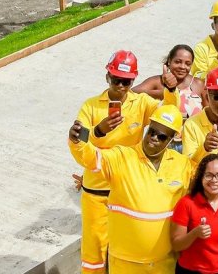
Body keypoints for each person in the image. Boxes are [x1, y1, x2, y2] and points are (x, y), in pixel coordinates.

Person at [74, 50, 180, 274]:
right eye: (116, 80)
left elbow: (168, 114)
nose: (121, 87)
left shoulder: (141, 103)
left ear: (133, 81)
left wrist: (171, 90)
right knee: (94, 256)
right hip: (98, 192)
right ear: (107, 77)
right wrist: (99, 130)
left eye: (126, 82)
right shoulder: (91, 106)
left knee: (128, 252)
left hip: (129, 189)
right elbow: (79, 144)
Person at [69, 105, 192, 274]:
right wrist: (77, 141)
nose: (153, 138)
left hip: (164, 264)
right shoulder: (123, 157)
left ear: (172, 140)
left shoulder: (182, 164)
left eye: (162, 136)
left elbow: (205, 180)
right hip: (125, 265)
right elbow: (92, 158)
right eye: (152, 131)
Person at [170, 154, 218, 274]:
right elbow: (176, 245)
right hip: (192, 270)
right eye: (209, 175)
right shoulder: (186, 203)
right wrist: (195, 233)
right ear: (201, 177)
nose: (214, 180)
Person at [132, 44, 205, 121]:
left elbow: (209, 113)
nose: (182, 67)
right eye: (178, 62)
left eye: (187, 64)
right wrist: (162, 93)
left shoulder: (198, 84)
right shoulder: (157, 82)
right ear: (169, 61)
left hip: (190, 132)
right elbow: (130, 94)